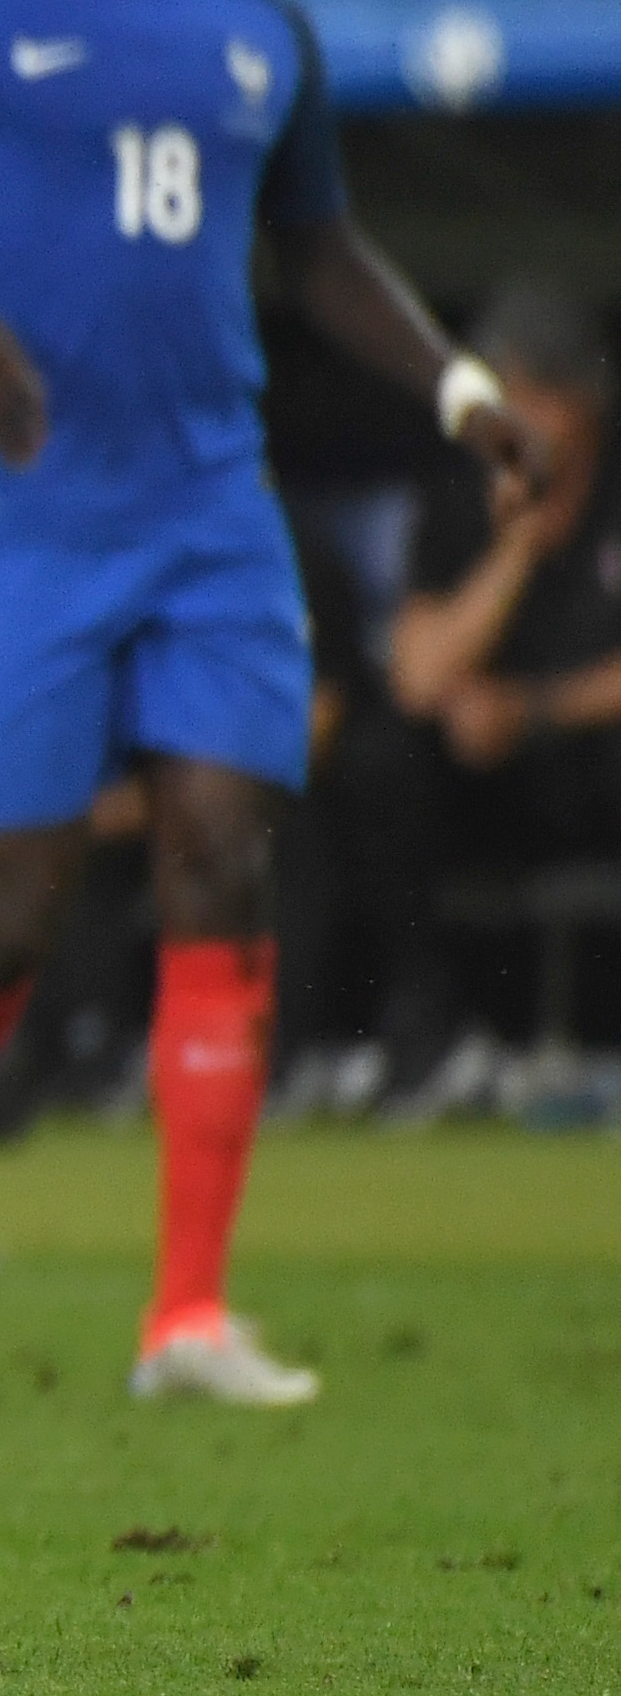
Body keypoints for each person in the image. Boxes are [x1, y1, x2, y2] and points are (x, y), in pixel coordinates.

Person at [0, 0, 546, 1409]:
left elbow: (319, 247)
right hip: (31, 523)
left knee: (220, 850)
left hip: (213, 512)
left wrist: (456, 386)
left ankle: (184, 1317)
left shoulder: (252, 27)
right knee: (7, 918)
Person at [363, 284, 621, 1111]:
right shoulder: (458, 498)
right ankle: (429, 1047)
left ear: (587, 402)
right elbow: (419, 676)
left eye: (542, 394)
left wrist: (536, 711)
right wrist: (514, 554)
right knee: (384, 758)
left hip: (592, 753)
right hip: (490, 776)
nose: (527, 416)